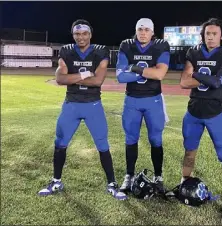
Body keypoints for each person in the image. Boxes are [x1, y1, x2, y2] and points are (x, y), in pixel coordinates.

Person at [38, 19, 127, 200]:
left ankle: (111, 184)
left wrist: (72, 77)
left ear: (90, 35)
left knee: (102, 145)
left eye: (84, 33)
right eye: (77, 34)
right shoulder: (67, 51)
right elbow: (60, 80)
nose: (81, 37)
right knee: (60, 142)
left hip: (93, 105)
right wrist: (85, 73)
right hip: (71, 104)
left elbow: (97, 81)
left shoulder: (100, 51)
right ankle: (56, 181)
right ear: (73, 35)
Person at [179, 18, 222, 221]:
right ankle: (183, 186)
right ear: (203, 35)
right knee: (189, 153)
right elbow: (183, 82)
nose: (211, 37)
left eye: (214, 33)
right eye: (207, 33)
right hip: (193, 112)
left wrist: (196, 73)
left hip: (216, 113)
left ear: (221, 35)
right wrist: (200, 77)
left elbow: (218, 81)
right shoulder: (194, 52)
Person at [115, 18, 170, 194]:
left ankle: (159, 176)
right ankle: (129, 175)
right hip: (132, 100)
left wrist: (133, 68)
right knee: (131, 139)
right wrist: (148, 72)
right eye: (140, 29)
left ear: (153, 32)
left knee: (156, 139)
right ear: (136, 30)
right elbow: (120, 77)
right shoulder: (126, 45)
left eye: (147, 29)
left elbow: (160, 74)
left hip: (153, 100)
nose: (143, 32)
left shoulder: (161, 45)